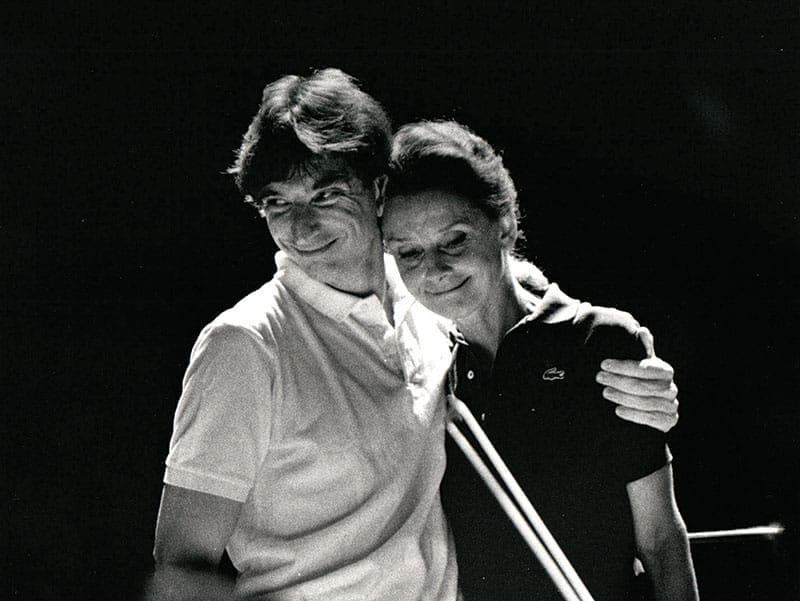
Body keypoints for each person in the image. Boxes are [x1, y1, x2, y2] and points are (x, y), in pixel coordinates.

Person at [148, 69, 681, 601]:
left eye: (326, 195)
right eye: (277, 204)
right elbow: (178, 572)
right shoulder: (244, 344)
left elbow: (503, 285)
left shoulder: (425, 304)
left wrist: (632, 368)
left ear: (377, 189)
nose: (302, 228)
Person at [381, 119, 699, 601]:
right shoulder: (427, 364)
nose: (435, 270)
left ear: (504, 227)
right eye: (409, 253)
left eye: (455, 241)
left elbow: (660, 539)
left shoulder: (598, 340)